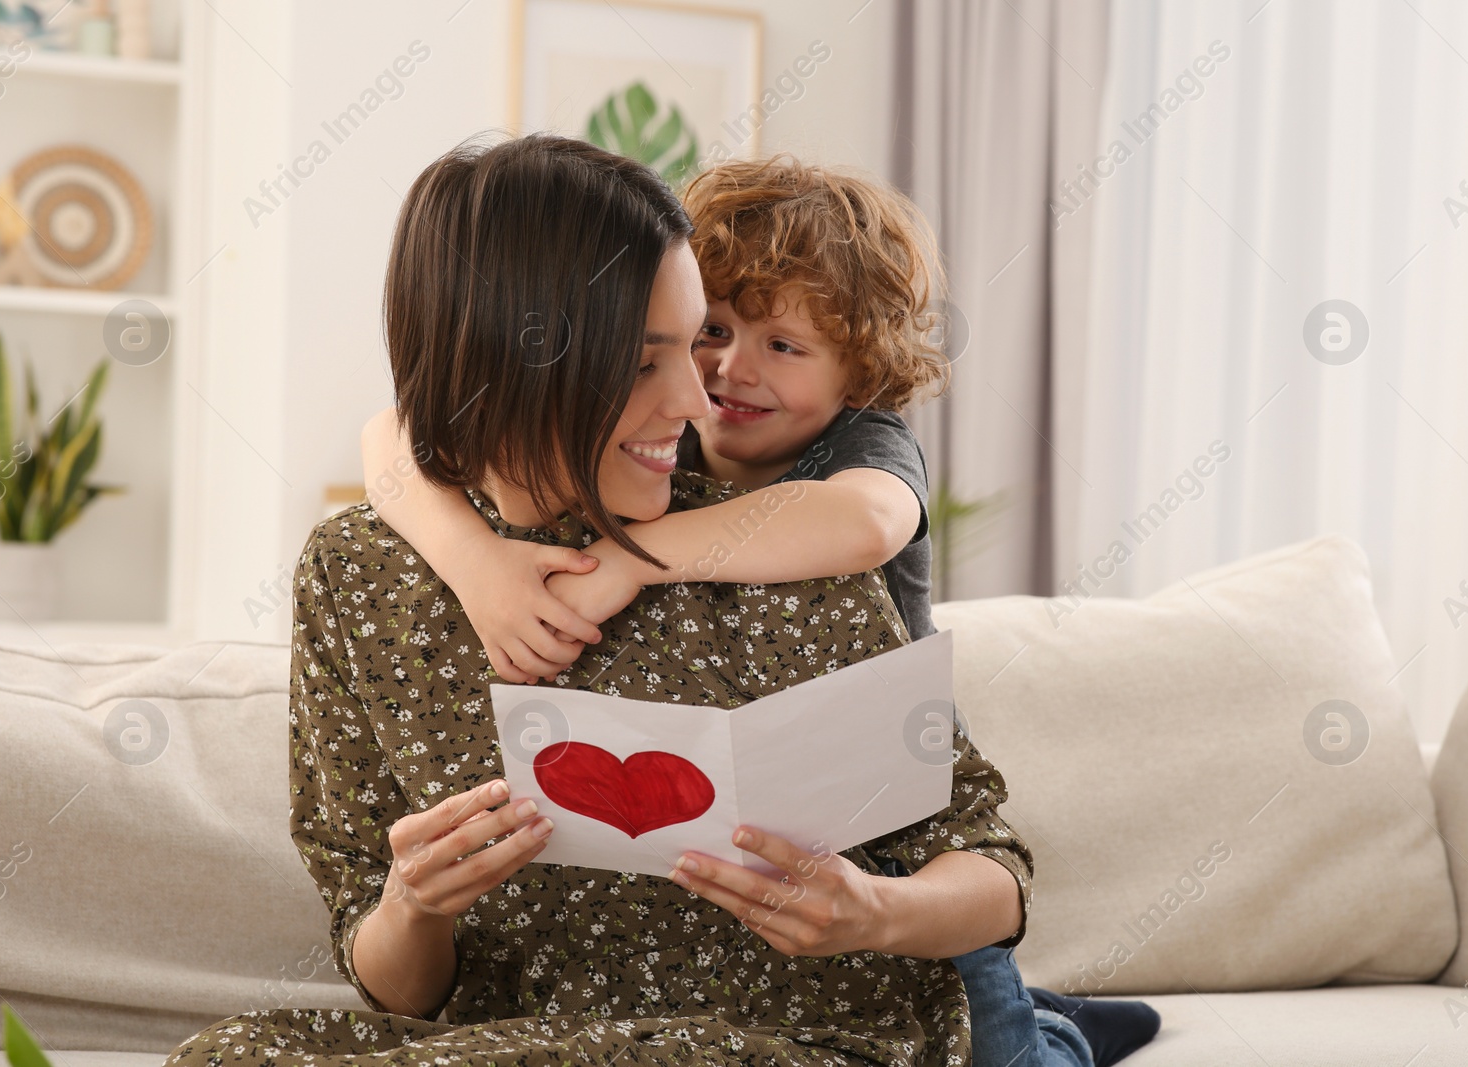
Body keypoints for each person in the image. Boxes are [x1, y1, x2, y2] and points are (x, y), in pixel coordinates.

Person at [358, 155, 1159, 1067]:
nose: (728, 373)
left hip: (889, 831)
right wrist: (471, 560)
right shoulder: (658, 433)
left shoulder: (862, 446)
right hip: (758, 872)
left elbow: (863, 522)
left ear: (861, 372)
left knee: (1005, 1040)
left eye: (784, 346)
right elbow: (392, 431)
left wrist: (632, 560)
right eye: (712, 331)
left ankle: (1059, 1031)